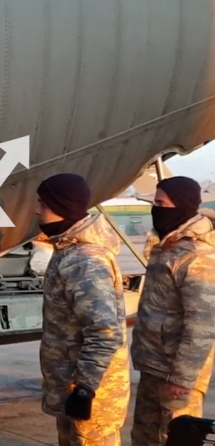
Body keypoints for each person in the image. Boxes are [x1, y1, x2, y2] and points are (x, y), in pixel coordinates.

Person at [35, 173, 130, 446]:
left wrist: (85, 389)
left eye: (43, 203)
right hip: (72, 385)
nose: (37, 210)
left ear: (61, 206)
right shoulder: (68, 252)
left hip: (91, 391)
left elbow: (104, 331)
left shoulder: (85, 261)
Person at [131, 176, 215, 446]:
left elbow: (202, 323)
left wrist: (183, 376)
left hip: (176, 375)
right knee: (144, 437)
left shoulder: (197, 256)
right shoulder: (167, 248)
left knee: (178, 438)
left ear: (181, 206)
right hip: (153, 367)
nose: (155, 210)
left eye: (161, 204)